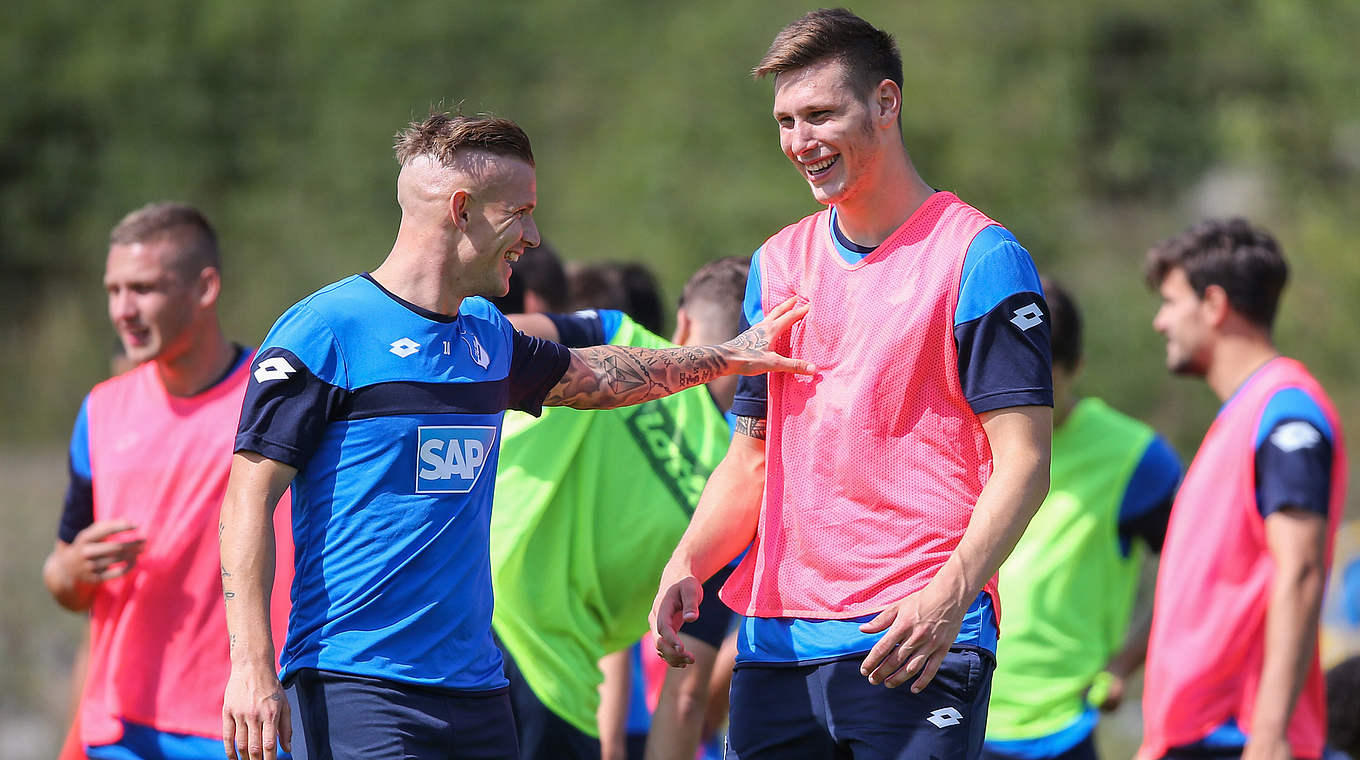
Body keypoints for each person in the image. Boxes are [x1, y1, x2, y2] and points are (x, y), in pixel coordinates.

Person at [217, 111, 811, 760]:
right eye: (520, 212)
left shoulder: (485, 337)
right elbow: (248, 497)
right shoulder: (327, 330)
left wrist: (726, 357)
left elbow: (600, 376)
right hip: (357, 686)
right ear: (461, 209)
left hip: (480, 697)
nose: (532, 235)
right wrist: (251, 664)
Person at [650, 9, 1053, 759]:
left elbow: (1025, 460)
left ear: (887, 104)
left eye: (821, 114)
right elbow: (752, 457)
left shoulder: (981, 256)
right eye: (785, 121)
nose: (800, 142)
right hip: (777, 644)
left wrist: (951, 593)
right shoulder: (777, 264)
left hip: (915, 636)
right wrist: (690, 562)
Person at [41, 202, 293, 760]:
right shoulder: (102, 410)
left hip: (237, 721)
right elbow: (63, 578)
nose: (122, 310)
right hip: (120, 726)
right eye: (113, 290)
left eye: (143, 289)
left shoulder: (274, 398)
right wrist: (71, 569)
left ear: (205, 288)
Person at [492, 256, 749, 760]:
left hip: (461, 615)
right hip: (559, 687)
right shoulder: (740, 488)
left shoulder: (615, 337)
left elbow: (479, 335)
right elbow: (687, 692)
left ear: (685, 322)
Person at [1137, 218, 1348, 760]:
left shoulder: (1286, 412)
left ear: (1214, 304)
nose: (1160, 321)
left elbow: (1300, 569)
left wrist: (1270, 736)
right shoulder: (1241, 419)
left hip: (1238, 736)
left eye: (1170, 300)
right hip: (1194, 737)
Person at [982, 277, 1182, 760]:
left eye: (1042, 382)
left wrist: (1124, 664)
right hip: (959, 703)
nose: (1025, 398)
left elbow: (1195, 573)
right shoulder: (957, 435)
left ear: (1077, 368)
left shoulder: (1134, 457)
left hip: (1065, 721)